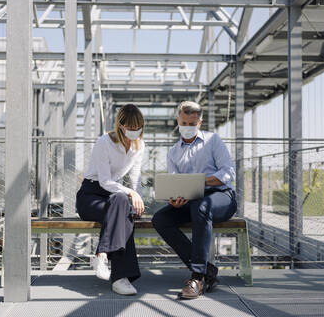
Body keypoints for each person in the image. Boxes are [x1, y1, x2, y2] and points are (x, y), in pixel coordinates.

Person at [152, 101, 237, 300]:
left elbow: (228, 172)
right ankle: (208, 270)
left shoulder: (213, 141)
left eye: (192, 123)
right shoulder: (174, 151)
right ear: (178, 121)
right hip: (191, 200)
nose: (187, 127)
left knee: (201, 206)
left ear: (200, 122)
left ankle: (198, 276)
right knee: (160, 219)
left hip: (221, 197)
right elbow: (175, 182)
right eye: (184, 122)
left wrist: (201, 181)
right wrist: (174, 200)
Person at [76, 104, 145, 296]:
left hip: (115, 196)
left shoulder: (139, 147)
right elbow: (105, 181)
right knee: (123, 205)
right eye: (131, 127)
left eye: (138, 127)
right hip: (91, 194)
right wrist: (132, 194)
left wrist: (137, 197)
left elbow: (135, 179)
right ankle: (121, 278)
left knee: (123, 204)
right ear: (120, 125)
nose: (135, 131)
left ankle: (103, 256)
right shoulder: (104, 142)